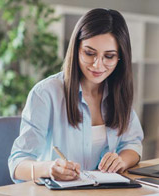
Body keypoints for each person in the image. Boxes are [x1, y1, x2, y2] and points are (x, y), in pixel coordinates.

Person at [8, 8, 144, 183]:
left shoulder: (118, 92)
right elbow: (17, 163)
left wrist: (121, 160)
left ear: (120, 58)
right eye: (89, 53)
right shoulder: (45, 94)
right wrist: (49, 169)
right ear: (76, 49)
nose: (98, 65)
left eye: (109, 56)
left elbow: (133, 144)